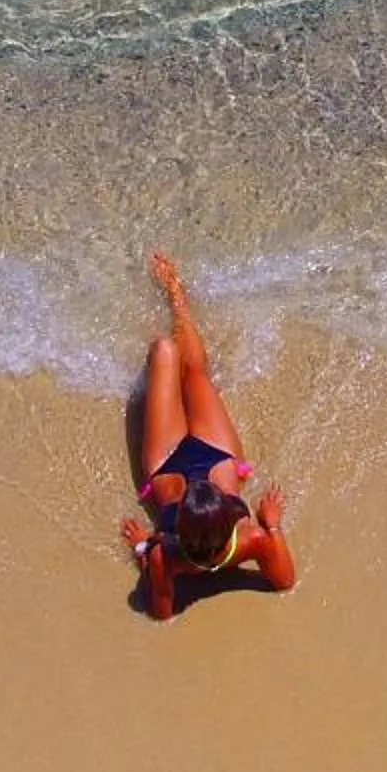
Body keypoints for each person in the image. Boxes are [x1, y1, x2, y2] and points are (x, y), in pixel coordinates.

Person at [120, 252, 295, 620]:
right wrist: (273, 523)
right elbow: (284, 581)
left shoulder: (164, 556)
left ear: (179, 525)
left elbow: (163, 614)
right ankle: (177, 297)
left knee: (165, 352)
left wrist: (142, 554)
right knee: (195, 373)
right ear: (230, 516)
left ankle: (174, 305)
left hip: (167, 460)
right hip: (217, 455)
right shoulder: (252, 540)